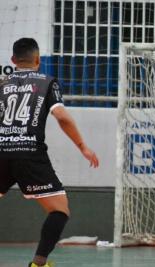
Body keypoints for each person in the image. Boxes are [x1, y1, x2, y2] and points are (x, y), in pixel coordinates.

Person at [0, 38, 99, 267]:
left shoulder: (2, 83)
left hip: (1, 151)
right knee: (59, 210)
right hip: (30, 154)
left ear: (13, 60)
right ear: (38, 60)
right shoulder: (46, 82)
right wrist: (83, 146)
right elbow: (62, 117)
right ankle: (38, 263)